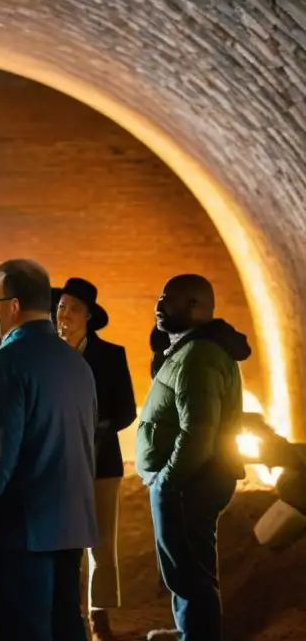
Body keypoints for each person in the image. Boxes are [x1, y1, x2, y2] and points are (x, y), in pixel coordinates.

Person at [0, 259, 98, 641]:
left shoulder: (7, 364)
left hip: (23, 529)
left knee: (26, 631)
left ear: (13, 305)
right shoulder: (77, 364)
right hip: (71, 523)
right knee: (67, 627)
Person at [136, 274, 249, 641]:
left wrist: (167, 481)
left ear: (196, 306)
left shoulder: (198, 356)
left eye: (168, 298)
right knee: (187, 573)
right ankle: (190, 631)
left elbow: (198, 430)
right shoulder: (188, 350)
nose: (158, 305)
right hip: (188, 482)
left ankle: (197, 634)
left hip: (188, 484)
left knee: (191, 576)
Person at [54, 278, 137, 641]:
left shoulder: (111, 355)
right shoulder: (49, 355)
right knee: (67, 543)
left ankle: (99, 615)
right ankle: (69, 616)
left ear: (89, 316)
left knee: (102, 543)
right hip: (59, 465)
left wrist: (100, 428)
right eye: (61, 307)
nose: (65, 314)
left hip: (102, 462)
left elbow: (128, 410)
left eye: (73, 308)